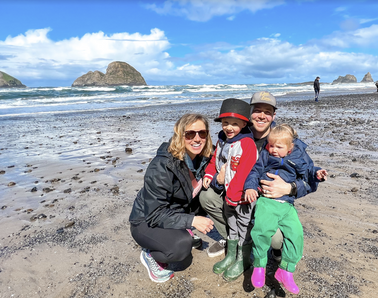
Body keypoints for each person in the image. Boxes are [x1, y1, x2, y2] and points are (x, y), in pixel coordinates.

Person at [200, 91, 318, 262]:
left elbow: (311, 180)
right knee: (207, 196)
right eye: (257, 110)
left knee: (275, 239)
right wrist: (218, 179)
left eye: (267, 112)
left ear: (273, 115)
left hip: (267, 202)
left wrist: (290, 188)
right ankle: (233, 240)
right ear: (249, 113)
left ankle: (263, 244)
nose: (262, 116)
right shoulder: (233, 134)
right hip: (237, 195)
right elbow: (216, 163)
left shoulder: (287, 141)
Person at [129, 113, 215, 283]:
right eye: (190, 134)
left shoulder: (203, 159)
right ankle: (150, 254)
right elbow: (155, 213)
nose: (197, 139)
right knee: (180, 248)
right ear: (179, 135)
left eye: (202, 133)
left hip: (173, 212)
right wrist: (192, 221)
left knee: (212, 196)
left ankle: (180, 231)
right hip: (146, 220)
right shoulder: (163, 165)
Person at [245, 124, 327, 294]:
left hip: (287, 204)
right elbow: (254, 171)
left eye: (279, 147)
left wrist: (317, 173)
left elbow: (308, 172)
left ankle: (286, 270)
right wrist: (251, 187)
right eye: (271, 145)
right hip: (267, 202)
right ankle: (259, 265)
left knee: (296, 234)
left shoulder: (298, 156)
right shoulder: (266, 155)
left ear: (290, 148)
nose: (273, 150)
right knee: (261, 231)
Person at [203, 98, 258, 281]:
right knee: (231, 224)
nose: (229, 128)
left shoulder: (247, 144)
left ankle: (243, 259)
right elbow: (214, 161)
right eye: (225, 123)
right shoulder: (222, 140)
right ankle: (231, 255)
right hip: (229, 196)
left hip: (242, 197)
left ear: (244, 124)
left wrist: (234, 195)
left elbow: (244, 172)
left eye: (235, 124)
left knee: (244, 226)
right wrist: (209, 175)